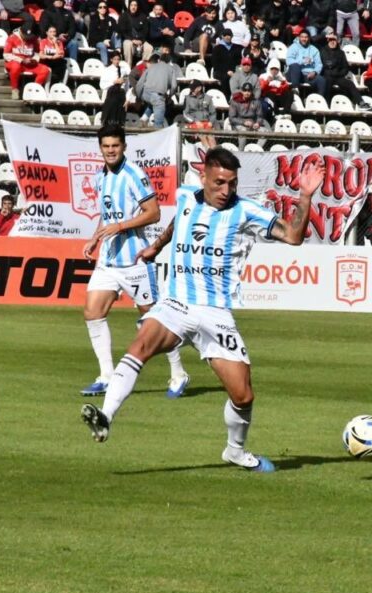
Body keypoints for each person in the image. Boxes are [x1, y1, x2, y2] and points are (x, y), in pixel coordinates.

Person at [80, 148, 326, 474]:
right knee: (141, 344)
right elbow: (173, 224)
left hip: (216, 313)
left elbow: (294, 237)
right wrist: (157, 245)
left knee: (243, 394)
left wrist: (305, 196)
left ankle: (235, 451)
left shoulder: (244, 211)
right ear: (204, 178)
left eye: (232, 184)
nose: (226, 191)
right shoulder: (185, 196)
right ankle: (106, 416)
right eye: (220, 183)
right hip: (176, 303)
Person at [78, 125, 190, 399]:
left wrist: (121, 226)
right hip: (109, 259)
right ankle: (106, 375)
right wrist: (96, 238)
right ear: (100, 148)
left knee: (153, 319)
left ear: (124, 146)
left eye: (115, 146)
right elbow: (107, 216)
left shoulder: (133, 175)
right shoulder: (100, 177)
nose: (110, 150)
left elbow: (153, 213)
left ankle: (178, 373)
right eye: (106, 146)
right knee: (92, 312)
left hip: (135, 261)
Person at [321, 32, 372, 110]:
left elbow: (345, 67)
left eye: (334, 40)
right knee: (327, 83)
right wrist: (334, 64)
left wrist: (339, 73)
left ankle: (361, 103)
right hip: (328, 75)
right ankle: (326, 104)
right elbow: (327, 64)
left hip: (338, 76)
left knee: (350, 84)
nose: (332, 42)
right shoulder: (324, 50)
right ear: (328, 40)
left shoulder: (341, 53)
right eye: (331, 40)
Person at [4, 26, 50, 99]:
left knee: (45, 69)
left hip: (29, 63)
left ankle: (34, 90)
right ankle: (15, 90)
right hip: (15, 62)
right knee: (16, 67)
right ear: (21, 32)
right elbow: (6, 55)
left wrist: (34, 60)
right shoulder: (12, 38)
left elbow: (37, 53)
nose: (27, 38)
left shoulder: (33, 39)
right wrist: (21, 60)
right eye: (26, 36)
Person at [134, 53, 178, 127]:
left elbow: (140, 83)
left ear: (159, 60)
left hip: (145, 94)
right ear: (169, 61)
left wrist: (139, 96)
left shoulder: (151, 67)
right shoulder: (171, 69)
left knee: (153, 101)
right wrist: (169, 96)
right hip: (157, 95)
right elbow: (174, 86)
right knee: (158, 124)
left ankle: (143, 119)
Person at [286, 30, 326, 96]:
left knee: (321, 80)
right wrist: (303, 61)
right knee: (295, 66)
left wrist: (315, 72)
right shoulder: (293, 47)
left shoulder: (314, 49)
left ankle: (320, 100)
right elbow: (289, 61)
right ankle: (295, 91)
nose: (304, 39)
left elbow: (319, 64)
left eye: (306, 37)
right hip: (294, 74)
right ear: (299, 37)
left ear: (309, 38)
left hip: (308, 75)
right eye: (302, 37)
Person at [118, 0, 151, 65]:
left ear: (138, 6)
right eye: (132, 5)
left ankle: (143, 67)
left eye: (135, 5)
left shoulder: (143, 16)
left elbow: (146, 31)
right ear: (129, 6)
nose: (133, 7)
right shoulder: (123, 16)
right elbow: (122, 31)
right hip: (129, 39)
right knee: (128, 44)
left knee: (149, 48)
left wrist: (141, 41)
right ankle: (128, 67)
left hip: (141, 40)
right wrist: (132, 40)